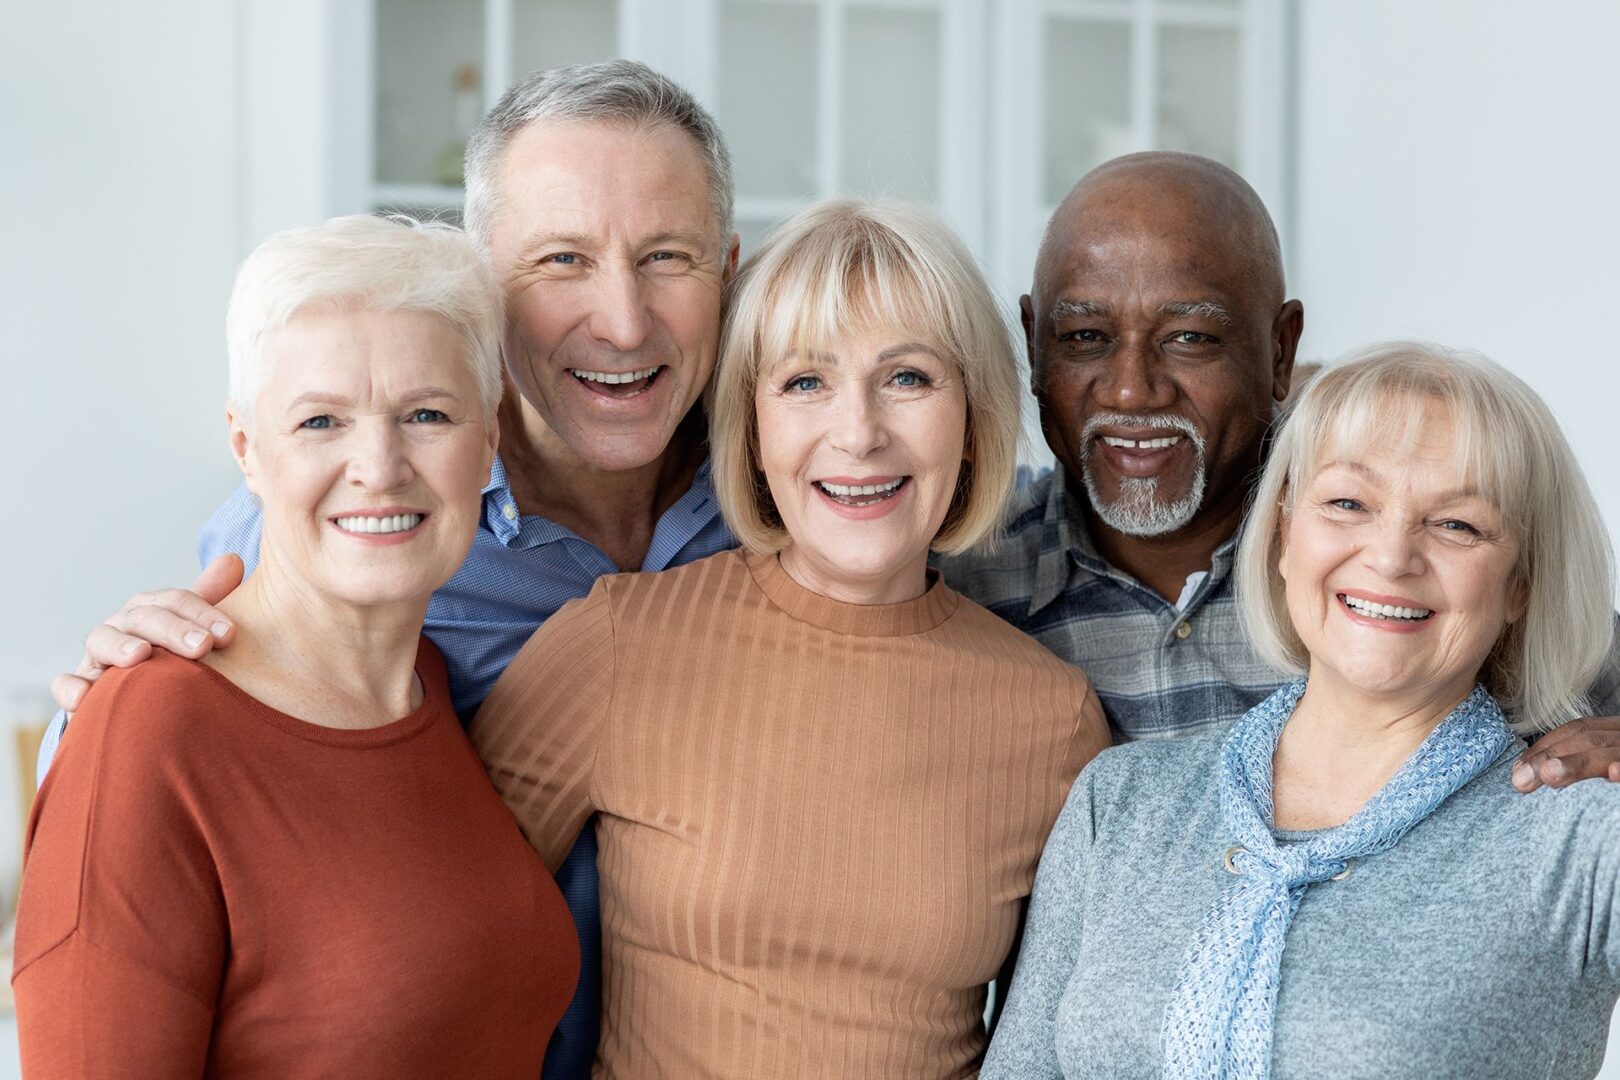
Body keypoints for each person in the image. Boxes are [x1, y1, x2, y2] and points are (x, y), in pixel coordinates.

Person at [40, 60, 740, 1078]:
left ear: (728, 268)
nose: (623, 321)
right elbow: (163, 767)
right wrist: (98, 715)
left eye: (667, 257)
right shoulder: (364, 525)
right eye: (562, 260)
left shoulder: (794, 496)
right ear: (488, 286)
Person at [471, 197, 1112, 1077]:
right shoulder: (621, 642)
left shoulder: (1055, 716)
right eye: (805, 382)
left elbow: (1071, 1043)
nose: (858, 433)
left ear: (973, 420)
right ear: (754, 426)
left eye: (909, 378)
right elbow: (435, 943)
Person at [13, 216, 579, 1077]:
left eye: (426, 413)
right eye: (321, 422)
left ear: (490, 439)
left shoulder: (437, 686)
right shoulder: (150, 732)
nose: (379, 464)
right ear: (247, 448)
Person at [983, 342, 1620, 1078]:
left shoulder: (1577, 834)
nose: (1389, 556)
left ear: (1519, 585)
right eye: (1348, 503)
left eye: (1457, 525)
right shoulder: (1117, 805)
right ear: (1286, 532)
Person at [937, 150, 1620, 788]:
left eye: (1190, 339)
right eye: (1086, 337)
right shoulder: (961, 583)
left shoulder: (1382, 561)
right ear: (1033, 346)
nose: (1131, 390)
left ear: (1281, 348)